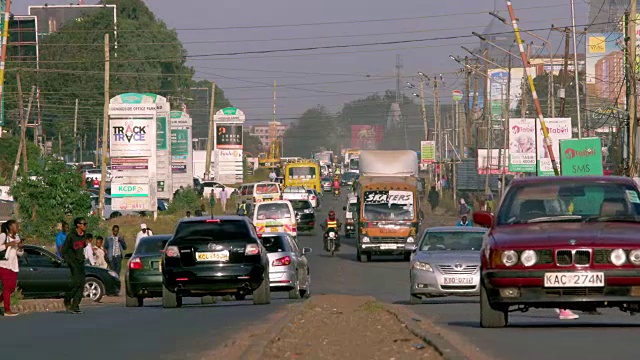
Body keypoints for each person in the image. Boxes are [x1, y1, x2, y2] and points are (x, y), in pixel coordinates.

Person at [61, 217, 88, 314]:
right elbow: (63, 251)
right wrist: (70, 262)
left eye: (85, 224)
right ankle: (67, 299)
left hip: (81, 262)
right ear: (78, 225)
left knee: (81, 284)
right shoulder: (71, 236)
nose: (85, 226)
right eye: (83, 224)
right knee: (76, 283)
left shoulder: (84, 235)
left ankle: (75, 305)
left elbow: (80, 246)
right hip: (73, 262)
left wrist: (85, 244)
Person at [0, 220, 23, 316]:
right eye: (16, 225)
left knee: (12, 288)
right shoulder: (3, 236)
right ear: (10, 227)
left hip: (13, 266)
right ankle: (7, 310)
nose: (17, 227)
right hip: (4, 264)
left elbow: (20, 254)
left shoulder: (17, 237)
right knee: (6, 287)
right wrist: (9, 244)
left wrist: (20, 247)